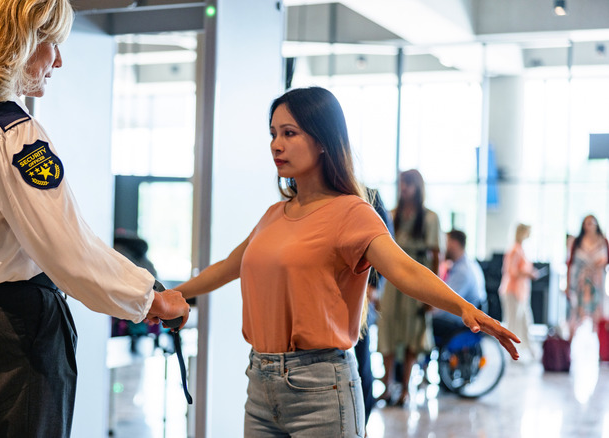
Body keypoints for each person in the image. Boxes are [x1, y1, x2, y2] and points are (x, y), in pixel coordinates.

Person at [174, 87, 519, 437]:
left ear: (323, 140)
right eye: (273, 134)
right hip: (260, 387)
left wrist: (464, 307)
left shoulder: (350, 212)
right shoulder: (274, 215)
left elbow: (402, 268)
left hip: (321, 389)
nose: (276, 145)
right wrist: (174, 295)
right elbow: (231, 265)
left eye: (289, 133)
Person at [0, 1, 189, 436]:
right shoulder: (14, 132)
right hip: (14, 334)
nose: (58, 59)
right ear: (18, 43)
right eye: (52, 43)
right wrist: (149, 298)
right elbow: (68, 248)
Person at [376, 168, 441, 407]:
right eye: (402, 183)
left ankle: (405, 388)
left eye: (409, 184)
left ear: (418, 187)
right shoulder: (392, 215)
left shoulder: (430, 218)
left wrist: (432, 294)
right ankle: (386, 385)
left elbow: (436, 256)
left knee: (413, 333)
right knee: (388, 329)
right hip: (393, 281)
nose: (404, 188)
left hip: (418, 279)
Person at [354, 188, 393, 426]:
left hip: (361, 295)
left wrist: (374, 287)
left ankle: (364, 422)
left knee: (361, 358)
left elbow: (386, 248)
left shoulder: (370, 197)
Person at [432, 229, 487, 344]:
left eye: (445, 242)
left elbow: (447, 302)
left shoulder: (462, 271)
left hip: (458, 321)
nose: (442, 247)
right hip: (465, 316)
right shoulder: (469, 264)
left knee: (423, 321)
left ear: (454, 244)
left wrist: (427, 312)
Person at [498, 223, 539, 361]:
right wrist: (527, 273)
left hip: (521, 293)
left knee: (525, 322)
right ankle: (510, 354)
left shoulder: (521, 249)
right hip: (512, 291)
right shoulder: (514, 250)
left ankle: (530, 352)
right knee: (513, 323)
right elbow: (511, 270)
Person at [566, 215, 609, 335]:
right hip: (581, 282)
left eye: (591, 223)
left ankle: (600, 346)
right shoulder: (578, 241)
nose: (589, 226)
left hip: (598, 282)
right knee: (577, 313)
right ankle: (572, 344)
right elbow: (571, 263)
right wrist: (568, 284)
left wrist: (600, 263)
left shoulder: (603, 240)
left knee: (598, 315)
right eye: (586, 223)